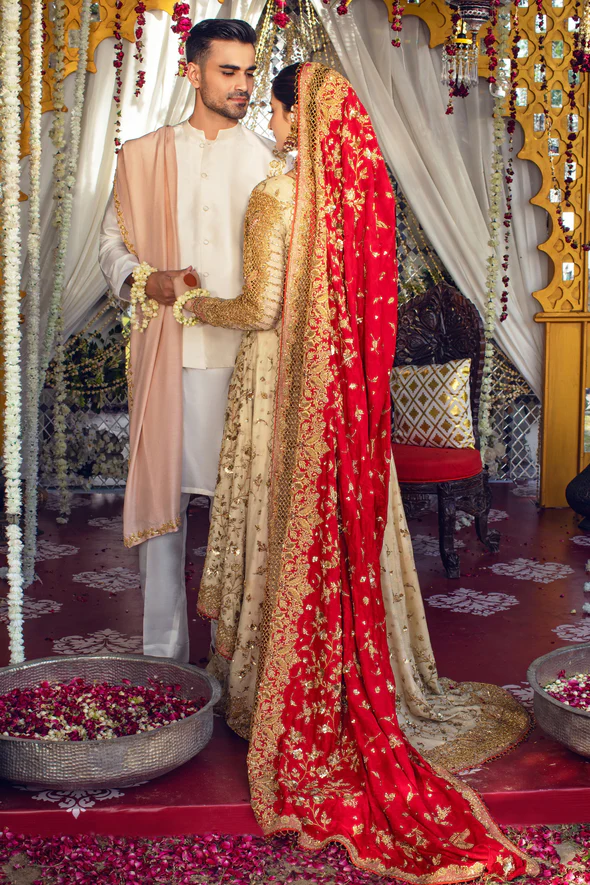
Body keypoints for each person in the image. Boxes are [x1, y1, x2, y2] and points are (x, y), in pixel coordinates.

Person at [179, 62, 538, 881]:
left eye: (277, 110)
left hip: (278, 390)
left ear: (295, 115)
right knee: (338, 528)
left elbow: (261, 310)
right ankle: (377, 680)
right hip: (340, 399)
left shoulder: (276, 195)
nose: (272, 122)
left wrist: (189, 303)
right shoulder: (352, 202)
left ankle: (264, 689)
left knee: (274, 519)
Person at [98, 19, 274, 662]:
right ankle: (161, 654)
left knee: (245, 511)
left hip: (247, 362)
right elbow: (110, 244)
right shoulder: (144, 156)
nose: (243, 85)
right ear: (193, 72)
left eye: (249, 72)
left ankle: (239, 661)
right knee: (162, 505)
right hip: (167, 353)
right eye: (229, 71)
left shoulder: (271, 161)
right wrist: (145, 279)